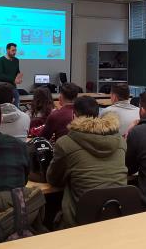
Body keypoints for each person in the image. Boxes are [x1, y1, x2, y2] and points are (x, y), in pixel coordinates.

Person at [47, 96, 127, 228]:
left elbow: (53, 179)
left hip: (80, 219)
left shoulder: (65, 143)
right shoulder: (120, 141)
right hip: (117, 214)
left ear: (74, 115)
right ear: (98, 115)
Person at [0, 42, 22, 107]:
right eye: (13, 50)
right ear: (7, 50)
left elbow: (17, 71)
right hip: (3, 87)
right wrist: (13, 79)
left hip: (13, 86)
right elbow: (0, 75)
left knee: (16, 104)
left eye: (15, 50)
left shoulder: (16, 60)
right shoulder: (1, 60)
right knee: (4, 106)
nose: (14, 52)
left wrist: (19, 77)